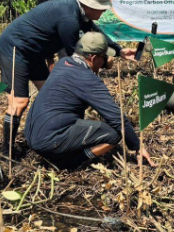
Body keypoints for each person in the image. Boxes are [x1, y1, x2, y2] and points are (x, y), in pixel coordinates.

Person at [0, 0, 136, 158]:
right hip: (16, 48)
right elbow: (76, 59)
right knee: (19, 101)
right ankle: (6, 152)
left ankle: (55, 132)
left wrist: (118, 50)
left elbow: (94, 32)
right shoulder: (69, 20)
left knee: (48, 90)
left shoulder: (79, 11)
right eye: (101, 8)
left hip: (35, 51)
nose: (103, 11)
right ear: (90, 5)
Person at [24, 32, 154, 169]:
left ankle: (63, 151)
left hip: (31, 135)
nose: (104, 63)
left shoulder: (63, 63)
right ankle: (71, 162)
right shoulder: (88, 79)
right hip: (49, 141)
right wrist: (137, 146)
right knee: (113, 135)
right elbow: (117, 118)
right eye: (103, 58)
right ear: (93, 58)